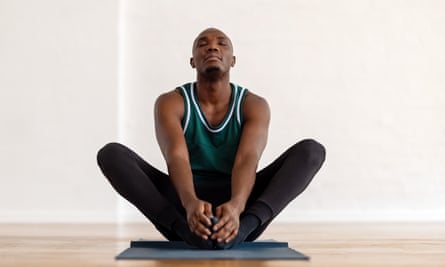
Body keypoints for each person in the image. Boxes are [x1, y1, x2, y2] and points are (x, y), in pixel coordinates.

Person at [97, 27, 326, 250]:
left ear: (233, 60)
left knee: (311, 151)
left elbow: (247, 159)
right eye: (202, 45)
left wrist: (237, 207)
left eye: (221, 44)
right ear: (193, 61)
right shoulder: (171, 102)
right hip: (183, 206)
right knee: (111, 154)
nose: (212, 48)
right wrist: (189, 204)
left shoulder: (253, 105)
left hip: (241, 205)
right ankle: (187, 232)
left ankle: (241, 230)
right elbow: (176, 157)